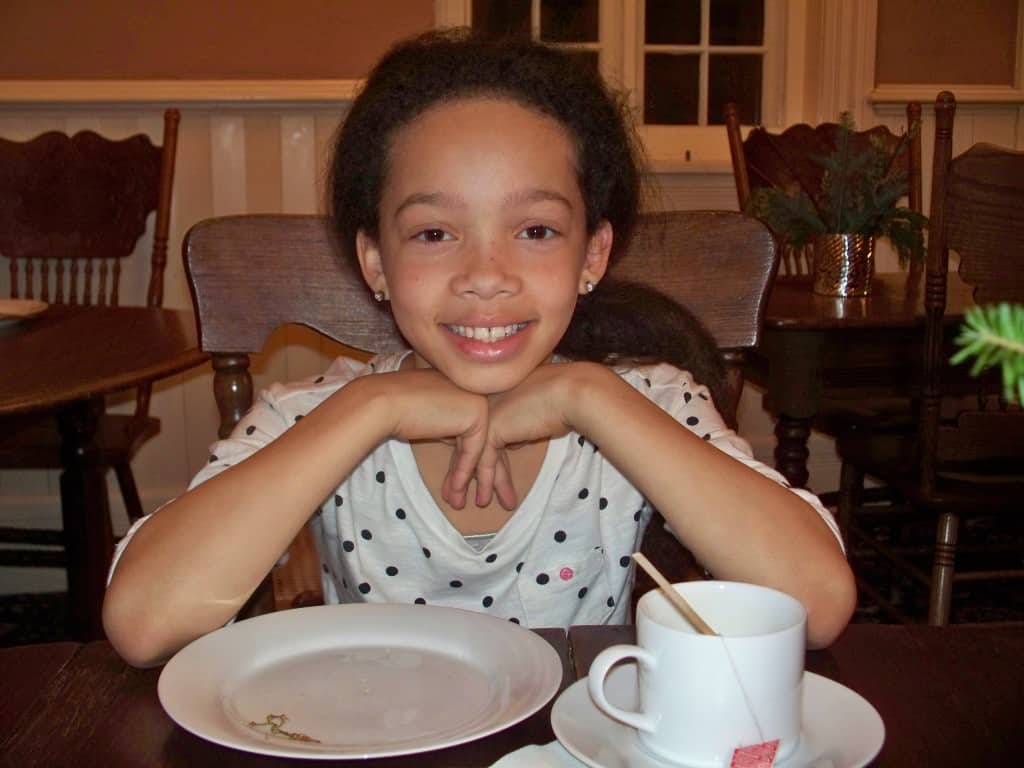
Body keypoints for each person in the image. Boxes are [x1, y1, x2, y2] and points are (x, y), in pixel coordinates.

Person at [103, 29, 855, 667]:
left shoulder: (647, 401)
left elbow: (816, 605)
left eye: (535, 231)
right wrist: (374, 405)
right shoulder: (316, 414)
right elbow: (144, 623)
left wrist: (588, 396)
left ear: (592, 257)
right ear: (376, 263)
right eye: (434, 233)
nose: (486, 277)